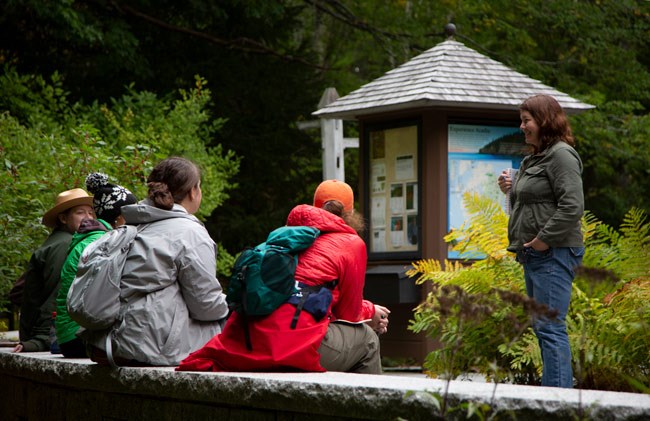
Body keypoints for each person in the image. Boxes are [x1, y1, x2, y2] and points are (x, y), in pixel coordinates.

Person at [177, 179, 390, 374]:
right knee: (367, 339)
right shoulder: (351, 244)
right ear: (350, 213)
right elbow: (348, 315)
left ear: (315, 207)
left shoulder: (284, 235)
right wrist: (370, 311)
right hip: (293, 347)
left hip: (247, 342)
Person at [88, 157, 229, 366]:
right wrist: (232, 305)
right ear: (193, 191)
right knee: (231, 319)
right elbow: (205, 305)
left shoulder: (132, 226)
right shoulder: (190, 233)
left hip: (107, 342)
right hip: (150, 347)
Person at [498, 94, 585, 388]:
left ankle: (558, 403)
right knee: (543, 327)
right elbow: (533, 200)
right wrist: (511, 186)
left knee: (550, 327)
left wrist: (542, 241)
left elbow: (572, 206)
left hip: (553, 252)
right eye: (521, 120)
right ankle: (552, 398)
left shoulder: (561, 154)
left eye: (526, 120)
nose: (522, 127)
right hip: (535, 255)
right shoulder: (534, 157)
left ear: (544, 121)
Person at [55, 173, 138, 358]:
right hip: (78, 336)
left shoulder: (90, 237)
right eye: (130, 214)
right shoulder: (104, 242)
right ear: (118, 217)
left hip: (67, 335)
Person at [13, 188, 95, 353]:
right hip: (48, 337)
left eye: (91, 213)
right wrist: (41, 340)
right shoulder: (65, 245)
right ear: (63, 218)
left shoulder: (60, 241)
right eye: (80, 213)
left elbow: (19, 292)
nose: (88, 218)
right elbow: (56, 295)